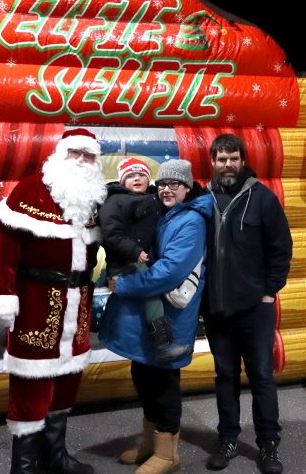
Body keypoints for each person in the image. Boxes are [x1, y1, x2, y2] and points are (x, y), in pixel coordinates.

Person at [0, 128, 106, 474]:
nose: (82, 161)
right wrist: (3, 297)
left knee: (67, 379)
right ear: (60, 154)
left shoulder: (93, 200)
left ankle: (54, 455)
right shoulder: (30, 189)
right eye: (76, 153)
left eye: (89, 155)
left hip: (78, 304)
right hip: (36, 301)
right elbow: (3, 251)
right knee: (32, 381)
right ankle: (23, 466)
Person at [99, 159, 213, 474]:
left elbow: (169, 272)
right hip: (150, 314)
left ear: (187, 187)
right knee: (144, 375)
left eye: (173, 184)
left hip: (172, 314)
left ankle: (168, 452)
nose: (165, 189)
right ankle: (150, 442)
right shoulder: (164, 212)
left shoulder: (190, 221)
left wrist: (123, 284)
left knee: (163, 382)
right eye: (162, 184)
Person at [203, 134, 292, 474]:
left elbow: (281, 249)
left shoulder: (262, 198)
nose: (228, 164)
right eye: (222, 159)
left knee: (262, 378)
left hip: (256, 308)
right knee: (225, 376)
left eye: (234, 158)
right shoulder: (203, 198)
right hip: (216, 309)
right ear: (213, 162)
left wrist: (270, 291)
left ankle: (268, 444)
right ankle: (227, 439)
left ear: (243, 160)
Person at [99, 156, 190, 361]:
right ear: (122, 180)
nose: (137, 178)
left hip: (142, 259)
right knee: (151, 293)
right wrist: (133, 251)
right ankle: (163, 345)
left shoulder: (153, 196)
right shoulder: (115, 200)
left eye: (141, 174)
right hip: (125, 261)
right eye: (131, 175)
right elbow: (110, 234)